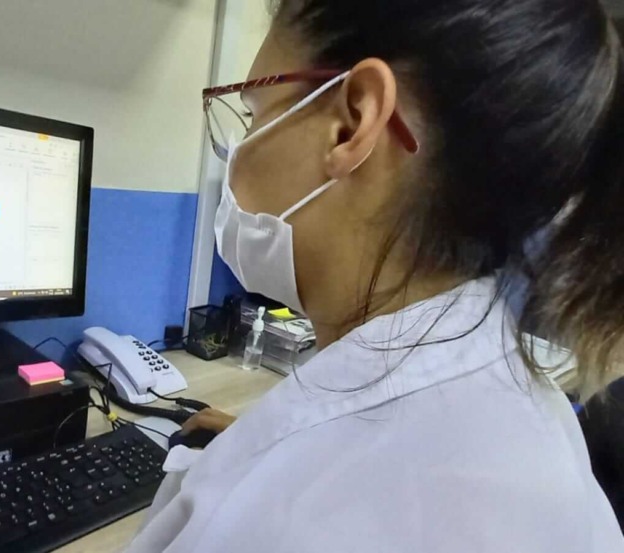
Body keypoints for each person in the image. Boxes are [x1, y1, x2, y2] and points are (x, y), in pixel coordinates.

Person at [126, 0, 624, 551]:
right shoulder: (532, 410)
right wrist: (262, 442)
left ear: (352, 122)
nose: (240, 149)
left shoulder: (268, 522)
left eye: (254, 112)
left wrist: (264, 461)